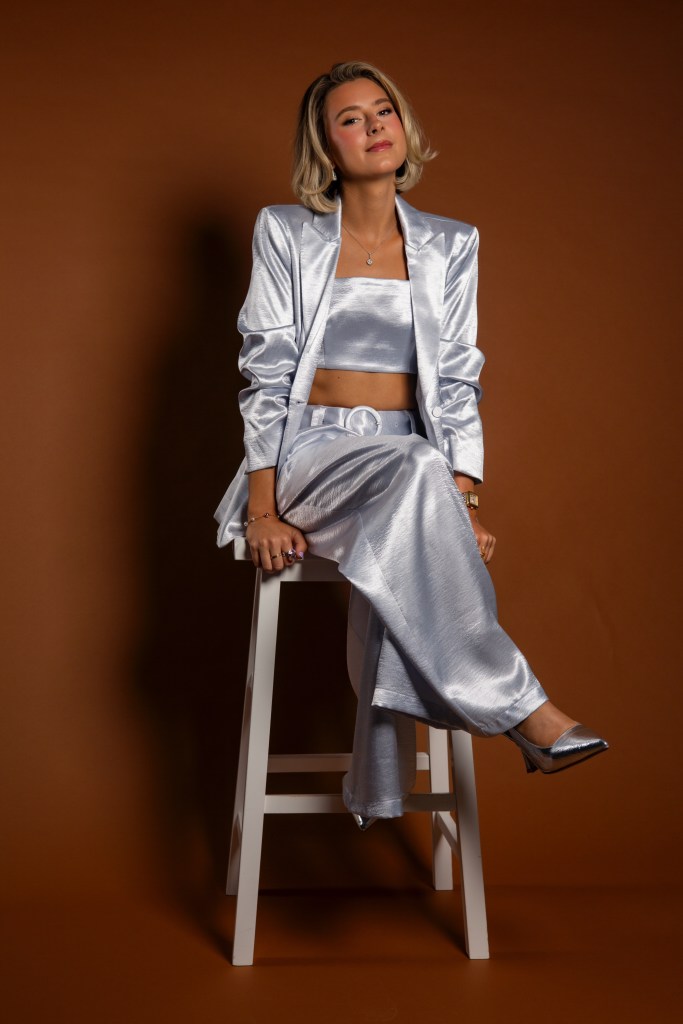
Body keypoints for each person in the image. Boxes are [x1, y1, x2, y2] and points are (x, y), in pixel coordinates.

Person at [215, 60, 608, 825]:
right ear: (326, 147)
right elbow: (264, 373)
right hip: (311, 458)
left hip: (410, 467)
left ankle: (383, 783)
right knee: (417, 472)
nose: (372, 126)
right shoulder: (286, 233)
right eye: (350, 119)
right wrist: (262, 510)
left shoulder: (451, 244)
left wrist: (459, 501)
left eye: (382, 110)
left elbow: (457, 382)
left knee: (416, 493)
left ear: (403, 126)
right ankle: (521, 706)